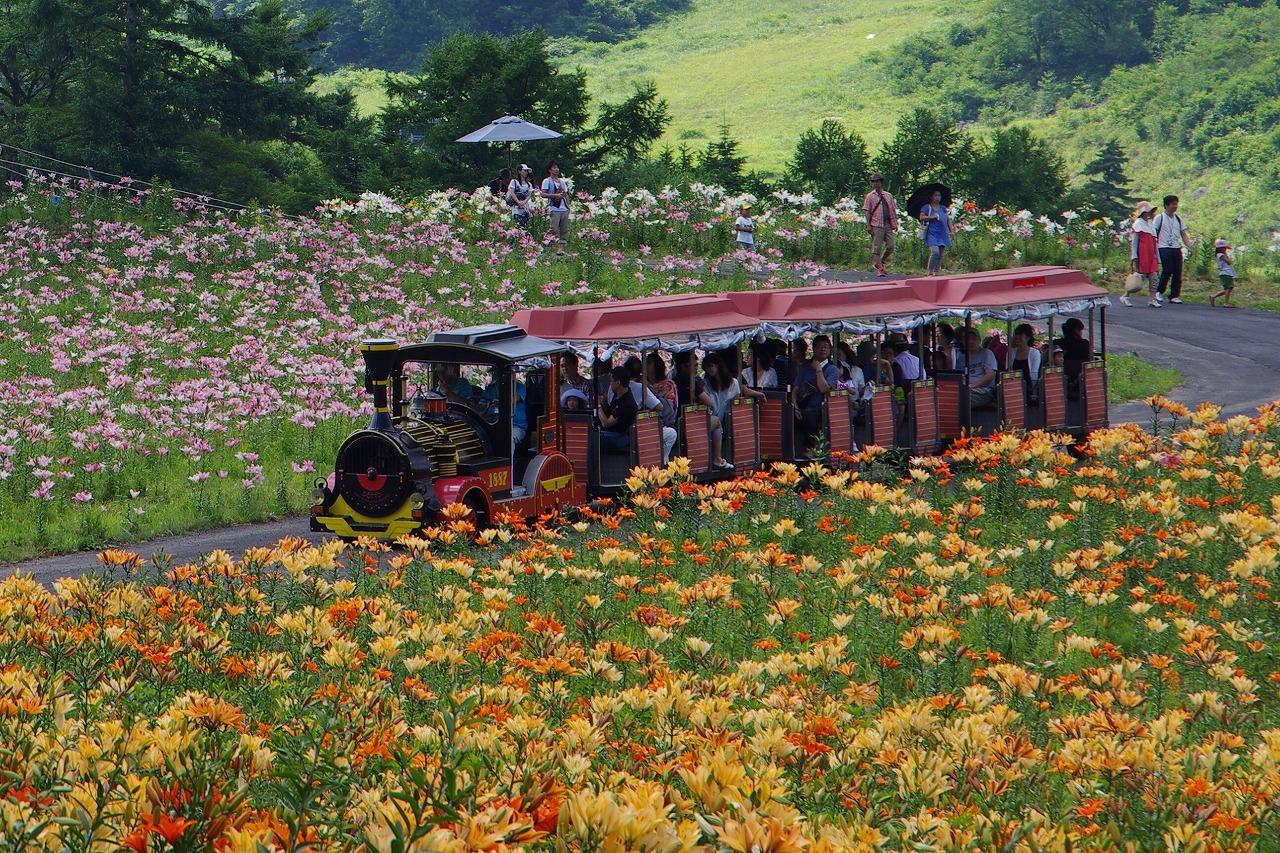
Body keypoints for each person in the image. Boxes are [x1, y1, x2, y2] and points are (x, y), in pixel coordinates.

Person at [792, 335, 840, 454]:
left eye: (825, 347)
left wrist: (818, 369)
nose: (822, 349)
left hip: (821, 407)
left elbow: (824, 388)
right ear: (813, 349)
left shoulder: (832, 369)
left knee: (810, 415)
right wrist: (795, 406)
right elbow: (795, 389)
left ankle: (811, 448)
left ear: (830, 350)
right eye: (819, 347)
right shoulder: (804, 367)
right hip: (802, 405)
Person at [1153, 194, 1192, 304]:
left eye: (1176, 204)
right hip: (1163, 247)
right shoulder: (1159, 218)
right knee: (1167, 270)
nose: (1175, 206)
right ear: (1166, 205)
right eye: (1173, 204)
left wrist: (1189, 246)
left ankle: (1174, 295)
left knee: (1177, 271)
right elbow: (1154, 232)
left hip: (1176, 247)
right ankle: (1159, 291)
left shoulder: (1178, 219)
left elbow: (1183, 234)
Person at [702, 353, 739, 469]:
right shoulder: (706, 383)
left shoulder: (733, 383)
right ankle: (717, 458)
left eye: (710, 366)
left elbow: (736, 404)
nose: (708, 370)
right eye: (706, 367)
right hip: (713, 419)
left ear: (718, 366)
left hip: (728, 420)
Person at [862, 174, 899, 277]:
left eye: (876, 181)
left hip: (887, 223)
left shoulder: (888, 195)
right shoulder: (870, 196)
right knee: (877, 247)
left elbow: (892, 210)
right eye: (873, 181)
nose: (874, 183)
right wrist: (868, 225)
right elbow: (867, 211)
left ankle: (880, 262)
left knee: (890, 246)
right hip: (876, 224)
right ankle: (880, 269)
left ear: (881, 182)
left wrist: (895, 223)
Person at [596, 367, 637, 452]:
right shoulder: (618, 395)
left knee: (593, 436)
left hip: (620, 436)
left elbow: (606, 423)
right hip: (611, 432)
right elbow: (610, 411)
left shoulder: (627, 403)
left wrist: (598, 405)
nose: (610, 384)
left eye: (611, 381)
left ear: (618, 383)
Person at [1127, 201, 1160, 308]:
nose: (1152, 213)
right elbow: (1134, 242)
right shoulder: (1138, 224)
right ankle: (1126, 295)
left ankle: (1152, 299)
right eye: (1150, 211)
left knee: (1154, 278)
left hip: (1151, 256)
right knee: (1139, 278)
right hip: (1142, 256)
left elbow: (1155, 243)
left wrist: (1158, 257)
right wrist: (1134, 256)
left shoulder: (1150, 224)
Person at [956, 329, 998, 407]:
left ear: (979, 340)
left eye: (974, 339)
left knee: (963, 398)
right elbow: (959, 376)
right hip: (965, 389)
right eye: (968, 339)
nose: (971, 342)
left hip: (983, 391)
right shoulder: (961, 358)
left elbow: (990, 375)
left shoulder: (986, 353)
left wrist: (972, 386)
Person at [918, 190, 955, 276]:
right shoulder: (927, 207)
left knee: (941, 254)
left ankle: (936, 271)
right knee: (935, 252)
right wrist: (933, 217)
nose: (937, 197)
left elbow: (948, 219)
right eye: (935, 195)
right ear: (931, 197)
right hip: (932, 233)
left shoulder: (943, 208)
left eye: (939, 195)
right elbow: (921, 217)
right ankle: (930, 271)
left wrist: (951, 230)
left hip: (942, 233)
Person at [540, 161, 571, 256]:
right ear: (549, 170)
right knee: (553, 228)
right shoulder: (547, 181)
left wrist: (568, 206)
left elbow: (565, 195)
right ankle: (544, 245)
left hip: (564, 208)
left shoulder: (562, 181)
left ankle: (560, 249)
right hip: (554, 208)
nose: (556, 169)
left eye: (557, 167)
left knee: (564, 229)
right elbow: (543, 194)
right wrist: (555, 195)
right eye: (554, 167)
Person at [1055, 318, 1091, 397]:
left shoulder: (1058, 343)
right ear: (1077, 330)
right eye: (1081, 330)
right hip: (1081, 378)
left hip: (1062, 377)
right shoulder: (1084, 344)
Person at [1006, 323, 1041, 403]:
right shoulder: (1011, 352)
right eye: (1016, 335)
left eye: (1020, 335)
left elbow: (1034, 374)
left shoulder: (1034, 353)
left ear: (1028, 338)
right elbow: (1007, 371)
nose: (1017, 338)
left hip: (1029, 389)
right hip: (1012, 388)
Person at [1211, 239, 1236, 307]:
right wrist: (1226, 256)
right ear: (1222, 248)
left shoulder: (1219, 255)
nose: (1226, 250)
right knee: (1228, 288)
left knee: (1229, 288)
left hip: (1227, 273)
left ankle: (1213, 297)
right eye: (1225, 248)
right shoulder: (1221, 255)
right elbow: (1229, 262)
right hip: (1226, 273)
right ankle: (1226, 303)